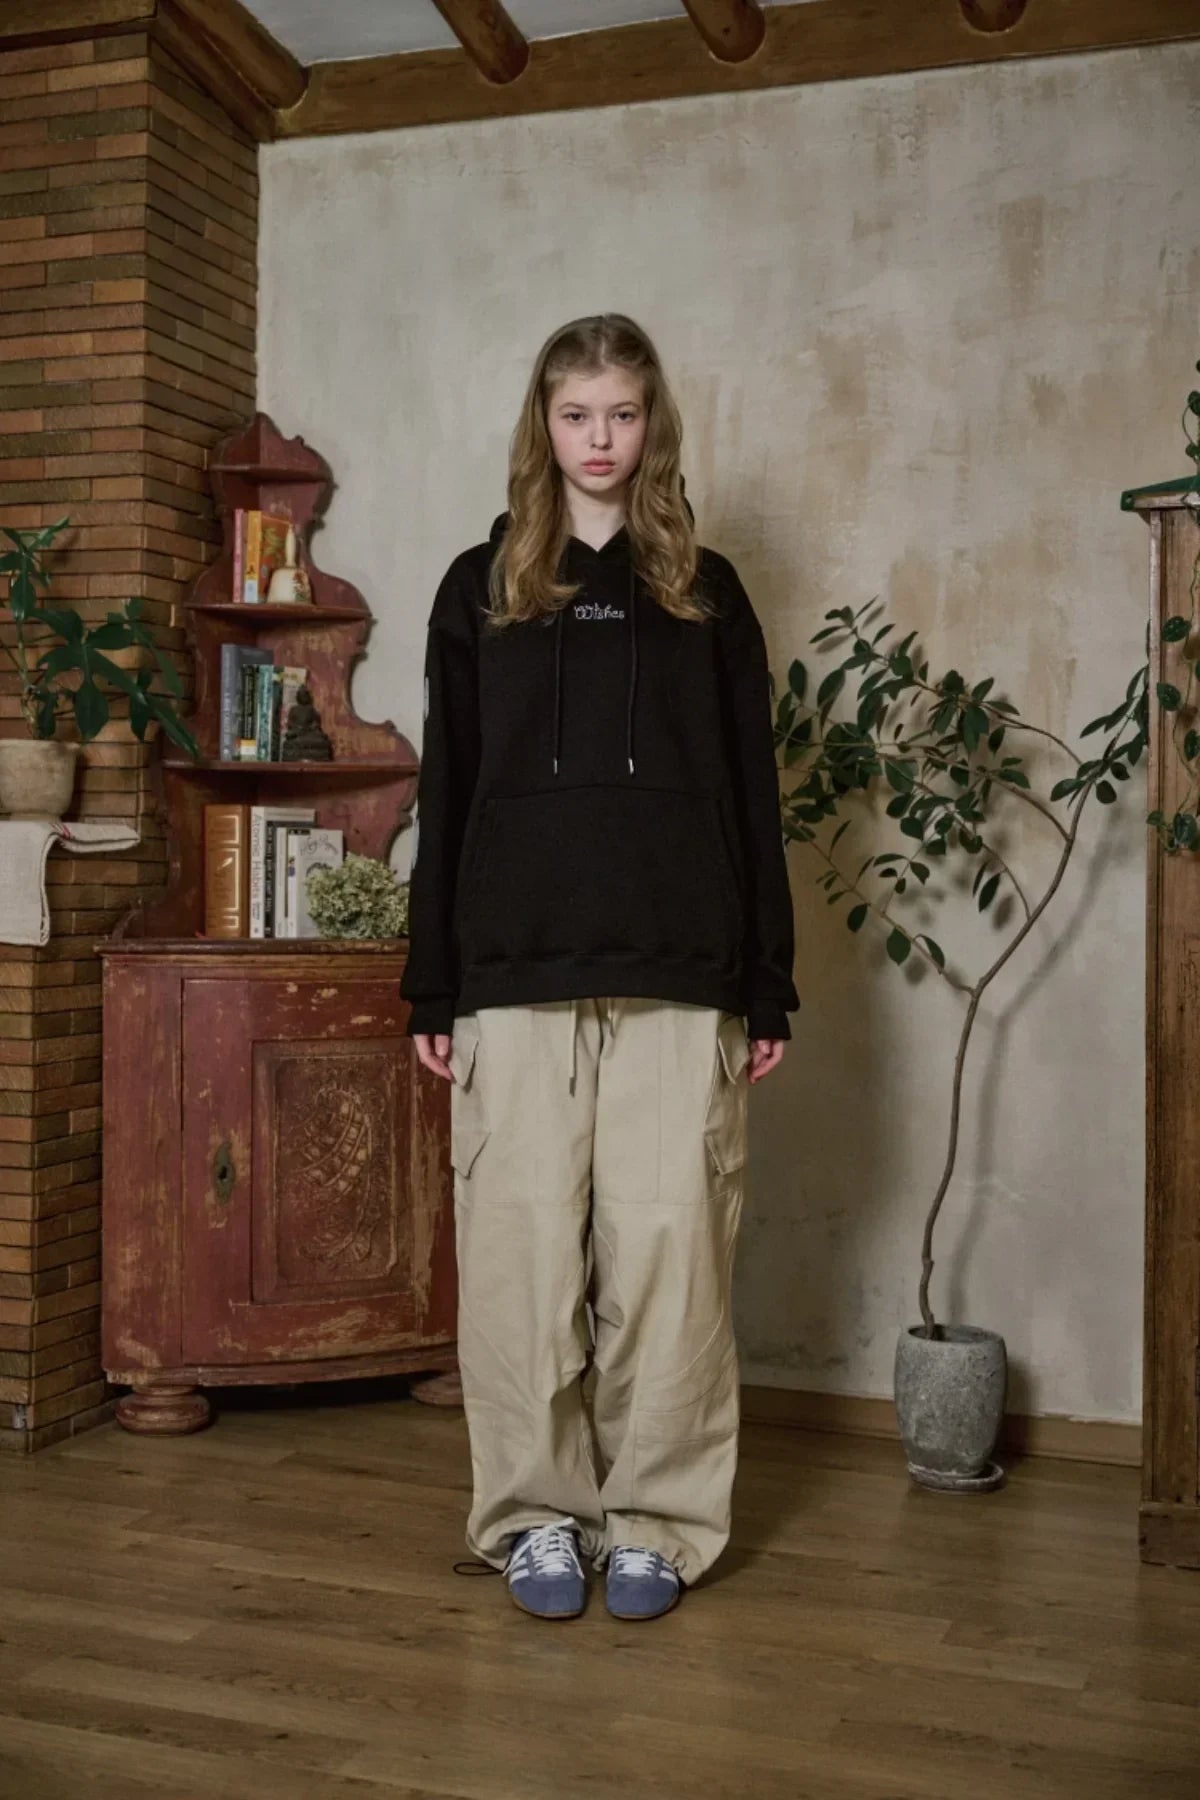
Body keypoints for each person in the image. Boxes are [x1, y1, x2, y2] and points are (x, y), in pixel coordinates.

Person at [400, 313, 799, 1622]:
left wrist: (768, 980)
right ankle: (535, 1522)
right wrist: (432, 983)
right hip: (512, 974)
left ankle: (657, 1525)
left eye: (622, 414)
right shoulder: (479, 587)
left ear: (652, 424)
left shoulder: (706, 592)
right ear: (544, 425)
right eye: (577, 415)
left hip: (682, 970)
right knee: (519, 1263)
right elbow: (448, 787)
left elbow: (752, 793)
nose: (600, 440)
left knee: (672, 1264)